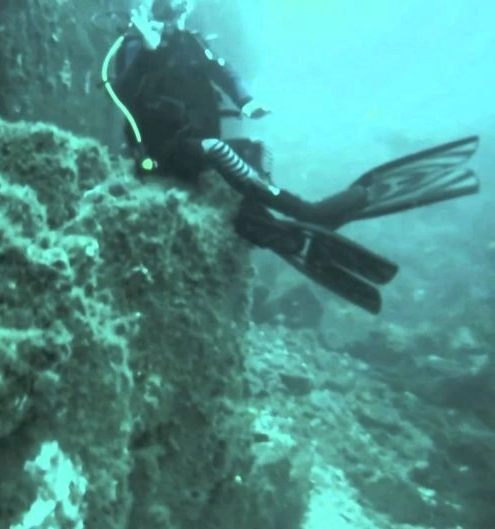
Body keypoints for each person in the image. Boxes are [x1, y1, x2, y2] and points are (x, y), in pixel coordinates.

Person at [100, 0, 482, 314]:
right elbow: (122, 92)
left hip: (193, 144)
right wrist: (148, 52)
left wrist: (246, 101)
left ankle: (261, 225)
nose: (178, 13)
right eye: (169, 6)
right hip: (161, 153)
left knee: (257, 150)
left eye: (184, 5)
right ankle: (310, 213)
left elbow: (225, 73)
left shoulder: (192, 42)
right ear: (149, 8)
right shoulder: (135, 46)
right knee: (219, 150)